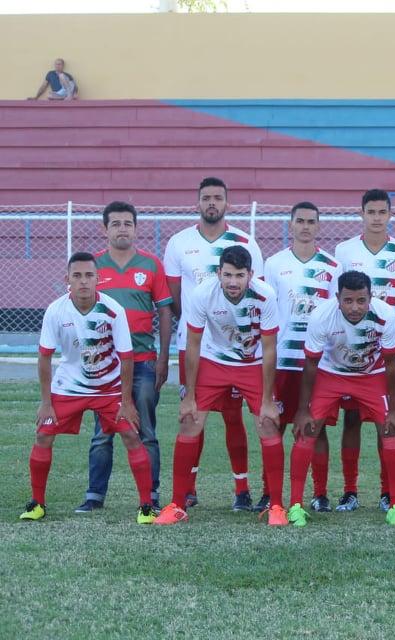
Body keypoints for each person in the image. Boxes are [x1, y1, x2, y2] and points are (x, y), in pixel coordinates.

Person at [154, 245, 286, 526]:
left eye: (239, 275)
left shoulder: (265, 296)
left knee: (267, 423)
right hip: (214, 361)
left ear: (251, 274)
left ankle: (276, 506)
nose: (233, 282)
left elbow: (270, 348)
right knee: (190, 422)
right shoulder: (203, 294)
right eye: (227, 275)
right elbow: (192, 344)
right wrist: (189, 395)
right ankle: (177, 504)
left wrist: (267, 400)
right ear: (218, 273)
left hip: (252, 364)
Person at [21, 252, 154, 524]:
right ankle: (37, 504)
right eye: (77, 275)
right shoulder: (55, 310)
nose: (83, 281)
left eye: (89, 275)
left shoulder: (113, 310)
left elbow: (127, 358)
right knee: (43, 435)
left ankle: (146, 506)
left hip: (108, 389)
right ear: (67, 279)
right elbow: (44, 356)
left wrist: (126, 401)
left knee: (131, 435)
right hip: (68, 387)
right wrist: (46, 402)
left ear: (98, 279)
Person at [163, 177, 264, 511]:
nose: (211, 203)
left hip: (236, 349)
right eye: (205, 197)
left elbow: (255, 296)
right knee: (195, 415)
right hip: (193, 345)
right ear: (197, 202)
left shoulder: (246, 242)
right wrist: (198, 324)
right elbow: (176, 298)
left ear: (227, 203)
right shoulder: (179, 243)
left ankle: (242, 490)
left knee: (234, 418)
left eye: (217, 198)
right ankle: (187, 491)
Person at [75, 202, 173, 515]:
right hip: (105, 367)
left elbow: (165, 312)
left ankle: (151, 495)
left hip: (144, 361)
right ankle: (94, 496)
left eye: (127, 223)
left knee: (145, 431)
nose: (121, 228)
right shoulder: (94, 267)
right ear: (104, 229)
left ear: (135, 228)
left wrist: (163, 358)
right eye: (115, 223)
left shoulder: (151, 264)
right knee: (102, 432)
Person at [292, 271, 395, 526]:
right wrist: (302, 409)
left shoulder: (386, 315)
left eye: (361, 300)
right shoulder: (322, 315)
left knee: (390, 431)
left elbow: (391, 364)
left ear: (371, 297)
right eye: (348, 301)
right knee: (308, 429)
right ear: (337, 298)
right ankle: (296, 505)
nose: (355, 308)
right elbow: (310, 364)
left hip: (371, 374)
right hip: (331, 373)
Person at [333, 189, 395, 514]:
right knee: (351, 420)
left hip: (384, 351)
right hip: (350, 351)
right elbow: (338, 296)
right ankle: (350, 491)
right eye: (371, 212)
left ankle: (385, 492)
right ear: (362, 214)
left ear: (390, 214)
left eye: (382, 212)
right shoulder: (345, 250)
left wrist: (387, 327)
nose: (376, 217)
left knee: (386, 422)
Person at [262, 202, 340, 514]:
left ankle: (320, 494)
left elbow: (337, 313)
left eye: (311, 221)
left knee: (314, 428)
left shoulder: (332, 267)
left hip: (316, 362)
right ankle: (271, 494)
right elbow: (265, 310)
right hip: (282, 359)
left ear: (319, 226)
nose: (305, 226)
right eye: (300, 221)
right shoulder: (274, 263)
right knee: (274, 426)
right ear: (290, 225)